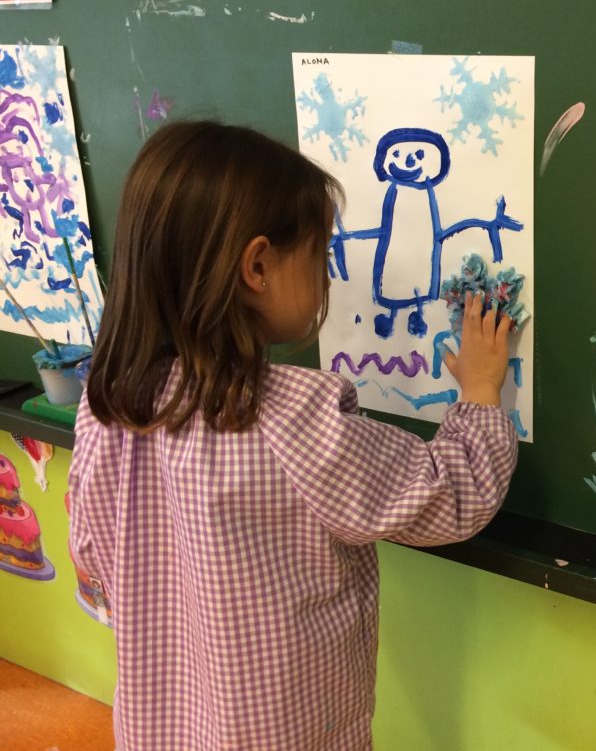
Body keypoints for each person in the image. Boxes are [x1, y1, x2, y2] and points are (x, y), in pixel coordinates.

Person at [67, 121, 518, 750]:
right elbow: (453, 494)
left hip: (163, 728)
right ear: (258, 267)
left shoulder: (108, 403)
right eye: (320, 256)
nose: (329, 277)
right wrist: (481, 390)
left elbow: (90, 553)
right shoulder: (294, 420)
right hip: (286, 733)